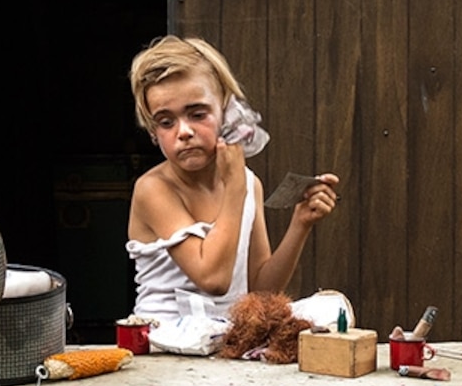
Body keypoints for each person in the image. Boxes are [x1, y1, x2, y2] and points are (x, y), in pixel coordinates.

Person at [123, 36, 338, 352]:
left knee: (329, 309)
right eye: (166, 122)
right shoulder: (155, 189)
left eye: (197, 114)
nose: (183, 131)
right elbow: (213, 278)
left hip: (226, 344)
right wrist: (234, 188)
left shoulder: (248, 183)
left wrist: (300, 225)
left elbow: (260, 291)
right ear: (153, 132)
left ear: (227, 110)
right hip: (164, 348)